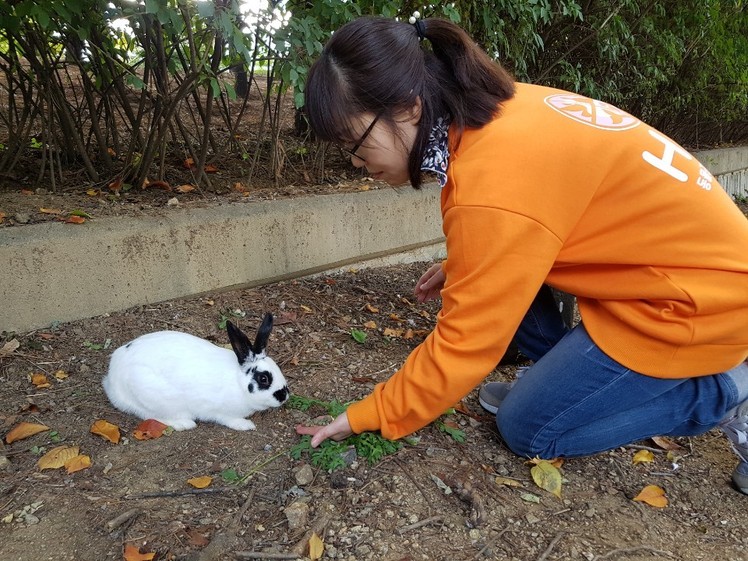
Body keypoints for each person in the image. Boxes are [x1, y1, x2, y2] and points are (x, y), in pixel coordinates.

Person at [295, 14, 748, 493]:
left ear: (408, 108)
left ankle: (727, 391)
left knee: (528, 428)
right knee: (525, 343)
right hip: (690, 271)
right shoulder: (501, 109)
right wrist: (462, 265)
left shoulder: (492, 182)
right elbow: (538, 217)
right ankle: (572, 387)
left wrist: (375, 411)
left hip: (695, 306)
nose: (355, 162)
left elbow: (464, 342)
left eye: (354, 142)